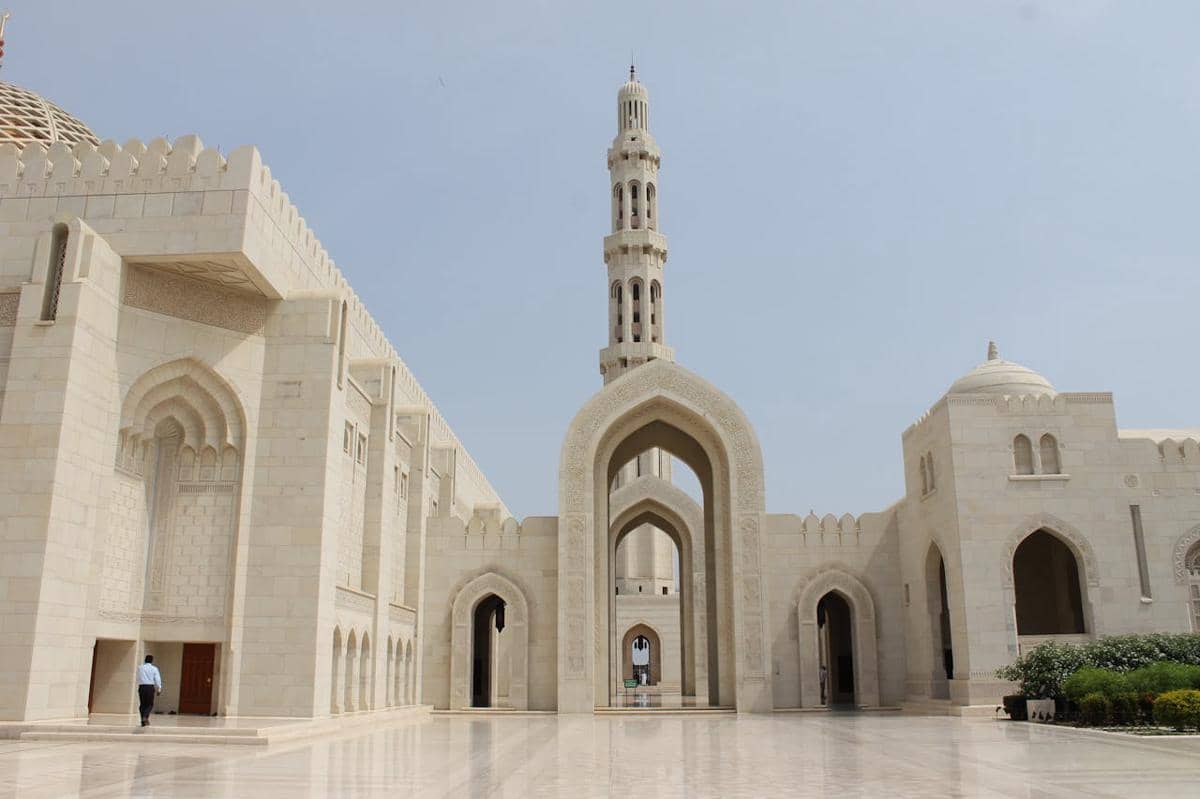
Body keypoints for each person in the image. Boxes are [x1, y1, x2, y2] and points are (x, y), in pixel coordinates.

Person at [136, 654, 162, 727]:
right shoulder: (154, 669)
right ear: (152, 661)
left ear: (145, 660)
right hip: (150, 687)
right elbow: (157, 679)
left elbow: (138, 677)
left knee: (142, 704)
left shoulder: (140, 668)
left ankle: (143, 721)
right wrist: (159, 688)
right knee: (150, 704)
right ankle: (145, 716)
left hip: (142, 687)